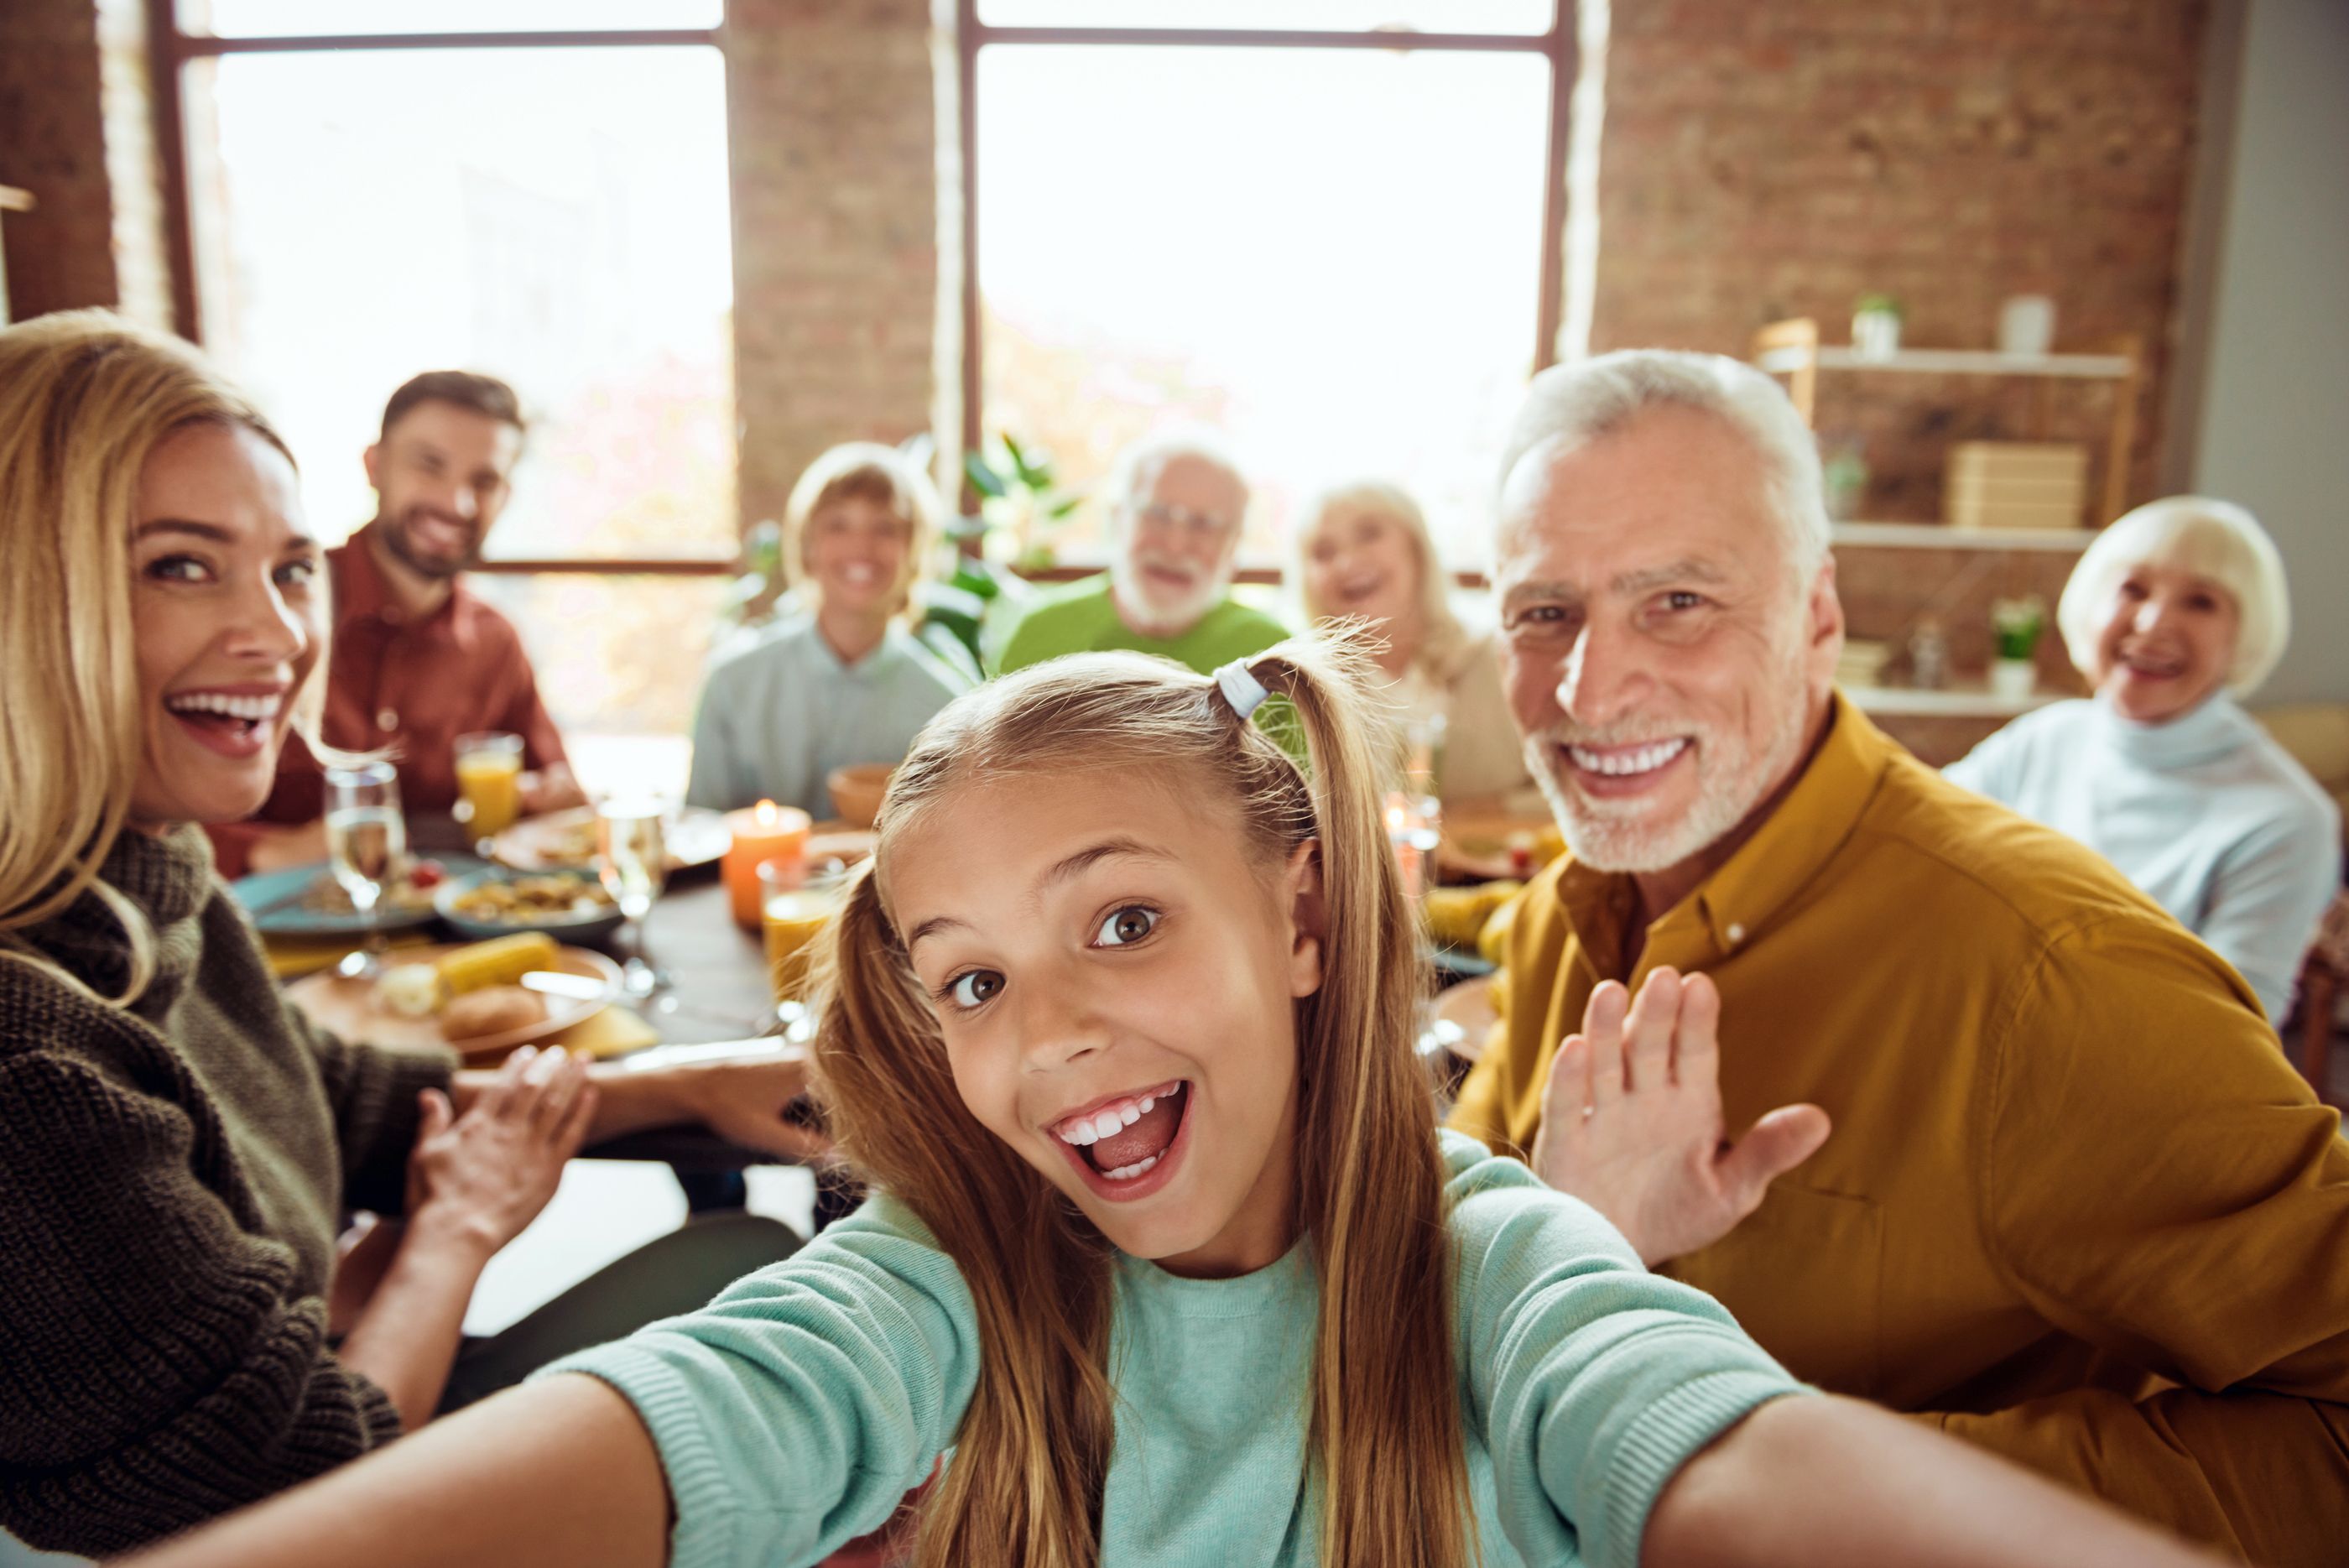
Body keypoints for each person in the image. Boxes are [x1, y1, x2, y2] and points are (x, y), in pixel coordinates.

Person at [122, 641, 2217, 1568]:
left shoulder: (1518, 1271)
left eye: (1123, 925)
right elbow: (703, 1418)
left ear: (1304, 914)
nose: (1044, 1038)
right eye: (971, 982)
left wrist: (1606, 1239)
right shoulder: (943, 1281)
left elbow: (1718, 1448)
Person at [1447, 347, 2349, 1565]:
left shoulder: (2054, 977)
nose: (1589, 689)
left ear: (1818, 618)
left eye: (1678, 602)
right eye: (1543, 611)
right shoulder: (1573, 902)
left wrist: (1790, 1484)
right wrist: (1575, 1235)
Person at [0, 313, 826, 1560]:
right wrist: (451, 1232)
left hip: (330, 1391)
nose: (281, 636)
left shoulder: (154, 879)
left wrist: (696, 1083)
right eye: (181, 565)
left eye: (286, 570)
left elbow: (349, 1102)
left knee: (749, 1262)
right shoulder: (32, 1063)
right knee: (760, 1307)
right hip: (313, 1498)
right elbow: (305, 1483)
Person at [1945, 496, 2341, 1024]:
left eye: (2200, 602)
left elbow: (2227, 1034)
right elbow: (1918, 847)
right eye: (2133, 589)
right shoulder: (2044, 737)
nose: (2153, 622)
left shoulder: (2287, 819)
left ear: (2242, 637)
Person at [205, 370, 586, 880]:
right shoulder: (274, 609)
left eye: (484, 480)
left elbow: (555, 800)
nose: (458, 503)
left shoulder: (496, 642)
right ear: (375, 466)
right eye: (430, 466)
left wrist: (555, 801)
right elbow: (147, 808)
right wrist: (269, 851)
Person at [685, 443, 974, 817]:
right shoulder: (732, 683)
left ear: (914, 551)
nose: (862, 547)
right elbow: (699, 832)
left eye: (885, 528)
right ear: (808, 546)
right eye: (838, 525)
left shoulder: (945, 707)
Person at [1294, 478, 1536, 806]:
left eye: (1369, 534)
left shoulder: (1502, 659)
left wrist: (1475, 817)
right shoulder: (1302, 688)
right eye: (1323, 553)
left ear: (1416, 547)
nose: (1347, 563)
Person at [988, 431, 1288, 676]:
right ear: (1117, 520)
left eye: (1204, 524)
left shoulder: (1272, 656)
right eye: (1156, 513)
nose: (1176, 544)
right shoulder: (1042, 633)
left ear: (1234, 544)